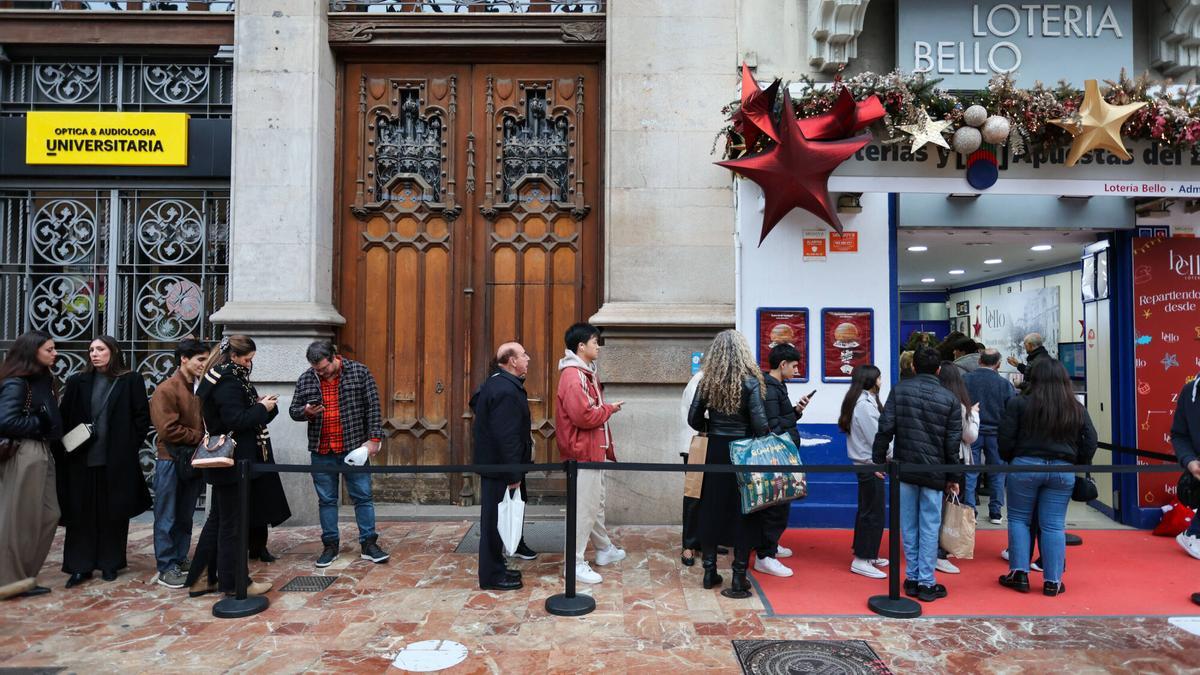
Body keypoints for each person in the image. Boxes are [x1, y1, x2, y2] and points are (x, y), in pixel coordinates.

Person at [184, 335, 289, 598]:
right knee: (233, 526)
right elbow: (235, 419)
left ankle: (202, 578)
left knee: (219, 520)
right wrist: (261, 407)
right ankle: (235, 582)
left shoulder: (225, 376)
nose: (249, 364)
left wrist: (264, 407)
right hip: (234, 464)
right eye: (247, 359)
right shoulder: (228, 380)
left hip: (231, 464)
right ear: (233, 356)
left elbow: (239, 414)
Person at [58, 336, 151, 588]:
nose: (95, 354)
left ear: (113, 352)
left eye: (100, 349)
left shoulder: (130, 380)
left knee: (113, 514)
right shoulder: (77, 381)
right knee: (81, 515)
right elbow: (65, 417)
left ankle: (111, 563)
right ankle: (80, 566)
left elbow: (142, 418)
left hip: (116, 462)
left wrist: (128, 445)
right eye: (91, 350)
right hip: (81, 460)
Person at [998, 358, 1096, 596]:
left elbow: (1005, 439)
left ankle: (1019, 573)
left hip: (1025, 465)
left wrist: (1012, 457)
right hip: (1062, 469)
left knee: (1019, 519)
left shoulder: (1019, 403)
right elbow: (1090, 440)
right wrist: (1076, 462)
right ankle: (1052, 580)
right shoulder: (1075, 407)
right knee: (1053, 525)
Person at [872, 346, 962, 603]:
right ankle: (926, 581)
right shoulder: (950, 399)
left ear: (913, 367)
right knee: (930, 525)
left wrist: (878, 460)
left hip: (905, 467)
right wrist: (953, 477)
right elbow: (952, 443)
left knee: (908, 525)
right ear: (939, 370)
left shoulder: (900, 390)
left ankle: (911, 577)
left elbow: (885, 427)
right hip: (934, 471)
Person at [289, 341, 389, 568]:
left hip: (353, 446)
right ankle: (330, 546)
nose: (320, 372)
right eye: (316, 369)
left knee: (363, 497)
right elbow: (294, 410)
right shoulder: (306, 378)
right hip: (321, 449)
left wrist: (374, 439)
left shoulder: (360, 372)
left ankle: (369, 544)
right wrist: (305, 412)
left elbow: (373, 407)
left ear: (334, 356)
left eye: (323, 368)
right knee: (326, 500)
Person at [687, 329, 769, 599]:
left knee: (710, 509)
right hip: (743, 453)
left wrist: (712, 426)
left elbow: (694, 419)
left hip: (715, 452)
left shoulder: (707, 380)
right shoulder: (751, 381)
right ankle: (738, 576)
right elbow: (760, 424)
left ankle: (709, 571)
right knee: (745, 511)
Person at [555, 323, 626, 585]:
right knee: (583, 511)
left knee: (594, 506)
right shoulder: (574, 376)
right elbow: (583, 416)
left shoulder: (584, 373)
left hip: (590, 451)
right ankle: (573, 564)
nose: (598, 346)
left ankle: (604, 549)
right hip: (582, 453)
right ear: (580, 346)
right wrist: (608, 410)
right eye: (594, 342)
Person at [0, 331, 63, 599]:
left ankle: (24, 577)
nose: (55, 353)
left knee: (49, 514)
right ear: (32, 351)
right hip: (25, 451)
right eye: (49, 349)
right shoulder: (17, 383)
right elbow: (6, 421)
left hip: (42, 451)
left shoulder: (44, 380)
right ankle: (9, 580)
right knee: (18, 519)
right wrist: (40, 424)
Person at [470, 342, 533, 591]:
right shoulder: (505, 390)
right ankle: (492, 575)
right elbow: (506, 436)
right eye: (523, 355)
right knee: (494, 523)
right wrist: (512, 473)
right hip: (500, 469)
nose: (528, 358)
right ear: (511, 361)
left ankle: (497, 567)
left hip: (497, 467)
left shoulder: (496, 383)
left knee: (496, 521)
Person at [148, 338, 209, 589]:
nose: (203, 365)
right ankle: (165, 566)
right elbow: (167, 429)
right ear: (184, 359)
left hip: (191, 459)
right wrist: (200, 437)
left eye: (206, 360)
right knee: (167, 515)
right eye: (200, 360)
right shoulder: (167, 389)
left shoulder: (199, 388)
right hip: (170, 459)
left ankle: (180, 558)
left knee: (184, 514)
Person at [757, 343, 811, 578]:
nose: (797, 370)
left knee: (778, 504)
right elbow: (772, 425)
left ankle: (769, 546)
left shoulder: (777, 386)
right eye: (795, 366)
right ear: (782, 364)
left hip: (782, 453)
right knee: (776, 507)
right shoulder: (770, 388)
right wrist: (788, 443)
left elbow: (780, 418)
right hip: (778, 456)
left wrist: (796, 411)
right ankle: (765, 555)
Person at [838, 363, 889, 579]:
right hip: (870, 464)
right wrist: (884, 459)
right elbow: (876, 438)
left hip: (868, 463)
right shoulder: (864, 405)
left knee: (869, 509)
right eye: (878, 378)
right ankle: (862, 558)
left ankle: (868, 553)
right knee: (873, 512)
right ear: (871, 380)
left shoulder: (859, 401)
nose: (880, 381)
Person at [934, 361, 979, 574]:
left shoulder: (934, 399)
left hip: (933, 459)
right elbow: (969, 436)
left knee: (937, 505)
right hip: (955, 457)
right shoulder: (959, 405)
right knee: (949, 504)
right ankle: (940, 551)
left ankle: (935, 548)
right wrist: (974, 416)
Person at [965, 349, 1017, 525]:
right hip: (996, 433)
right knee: (997, 472)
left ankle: (970, 511)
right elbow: (1011, 411)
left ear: (979, 360)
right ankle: (995, 512)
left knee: (971, 472)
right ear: (998, 364)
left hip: (972, 431)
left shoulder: (966, 380)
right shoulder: (1004, 385)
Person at [1171, 375, 1200, 560]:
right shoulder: (1190, 391)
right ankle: (1193, 534)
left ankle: (1193, 533)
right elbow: (1179, 434)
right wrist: (1190, 461)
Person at [679, 368, 703, 566]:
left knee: (706, 496)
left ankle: (702, 541)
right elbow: (698, 415)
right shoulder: (700, 381)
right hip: (695, 444)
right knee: (693, 496)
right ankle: (689, 545)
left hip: (703, 443)